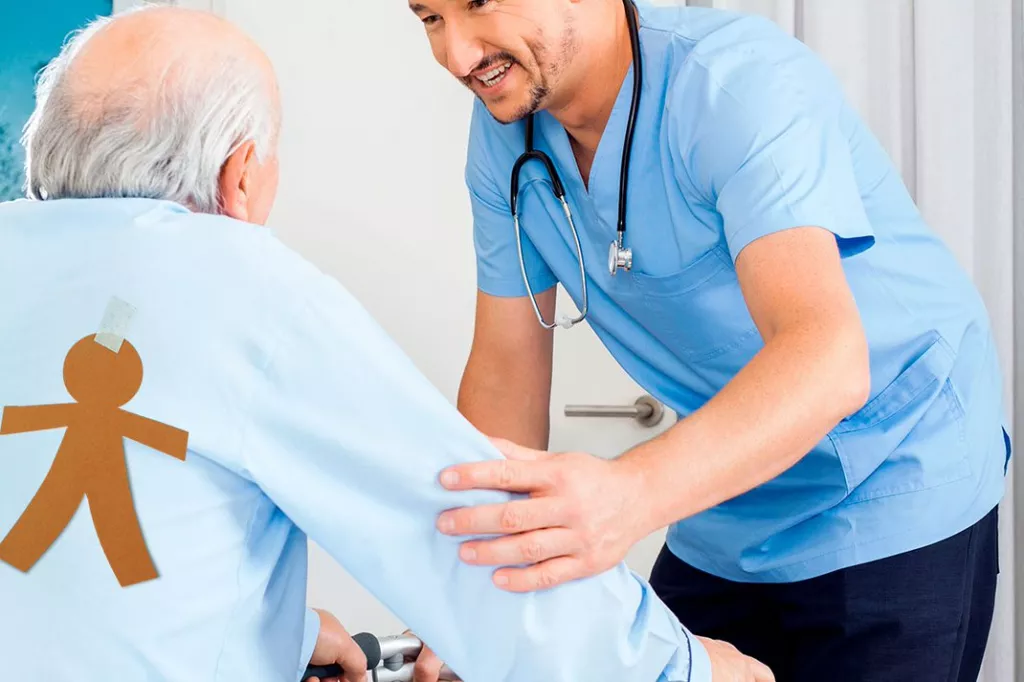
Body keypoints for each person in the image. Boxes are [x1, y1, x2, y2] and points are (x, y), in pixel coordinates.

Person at [0, 5, 773, 682]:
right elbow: (461, 528)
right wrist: (685, 669)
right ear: (242, 176)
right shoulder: (239, 286)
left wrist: (287, 634)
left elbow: (64, 573)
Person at [402, 1, 1011, 681]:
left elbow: (829, 358)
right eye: (428, 18)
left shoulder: (733, 84)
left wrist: (625, 496)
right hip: (726, 495)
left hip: (892, 469)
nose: (457, 56)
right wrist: (470, 590)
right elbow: (506, 368)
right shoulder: (505, 140)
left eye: (476, 4)